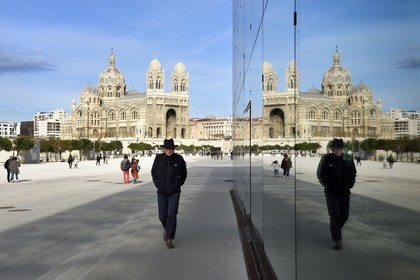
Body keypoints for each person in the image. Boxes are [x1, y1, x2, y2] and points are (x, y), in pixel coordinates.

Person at [317, 138, 357, 250]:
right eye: (335, 148)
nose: (337, 150)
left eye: (339, 148)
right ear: (332, 149)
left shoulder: (348, 158)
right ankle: (338, 241)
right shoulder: (327, 158)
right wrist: (327, 185)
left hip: (344, 191)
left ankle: (335, 230)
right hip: (331, 192)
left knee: (344, 215)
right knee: (335, 215)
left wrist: (350, 184)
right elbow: (320, 174)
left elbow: (353, 172)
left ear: (342, 148)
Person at [151, 138, 187, 249]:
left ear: (173, 149)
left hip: (174, 192)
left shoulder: (179, 159)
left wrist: (178, 184)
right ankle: (167, 228)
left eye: (171, 149)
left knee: (172, 214)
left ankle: (169, 238)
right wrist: (158, 184)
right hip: (161, 192)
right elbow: (154, 172)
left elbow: (184, 174)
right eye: (167, 149)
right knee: (162, 215)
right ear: (164, 149)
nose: (169, 151)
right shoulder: (159, 158)